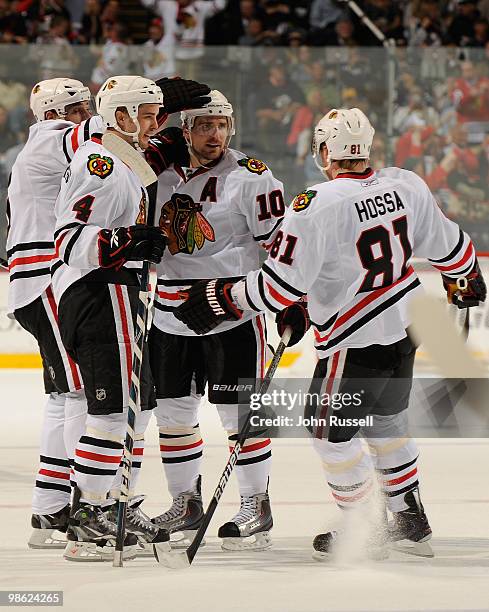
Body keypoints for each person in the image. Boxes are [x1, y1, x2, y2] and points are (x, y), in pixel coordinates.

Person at [172, 107, 487, 559]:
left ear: (324, 152)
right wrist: (466, 276)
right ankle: (410, 518)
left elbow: (280, 286)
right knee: (386, 421)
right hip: (405, 328)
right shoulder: (405, 182)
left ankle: (363, 527)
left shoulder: (315, 204)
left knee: (326, 431)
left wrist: (224, 298)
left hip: (353, 338)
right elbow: (449, 244)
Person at [148, 90, 285, 551]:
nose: (215, 134)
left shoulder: (252, 176)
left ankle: (255, 506)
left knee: (239, 415)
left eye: (222, 125)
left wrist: (276, 301)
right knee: (173, 414)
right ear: (184, 131)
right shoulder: (157, 172)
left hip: (230, 310)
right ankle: (185, 503)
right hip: (169, 309)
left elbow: (279, 248)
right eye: (204, 125)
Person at [51, 75, 171, 562]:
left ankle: (105, 508)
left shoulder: (125, 160)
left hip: (115, 291)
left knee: (135, 407)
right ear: (118, 115)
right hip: (98, 294)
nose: (152, 124)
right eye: (143, 114)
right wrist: (128, 242)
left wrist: (137, 242)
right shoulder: (99, 161)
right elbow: (69, 240)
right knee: (111, 410)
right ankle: (90, 515)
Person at [6, 78, 102, 550]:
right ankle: (89, 507)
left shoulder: (31, 152)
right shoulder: (49, 137)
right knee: (83, 392)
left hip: (33, 280)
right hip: (48, 279)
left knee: (64, 396)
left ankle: (50, 510)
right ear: (56, 112)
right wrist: (141, 105)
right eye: (81, 107)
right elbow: (99, 136)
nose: (87, 114)